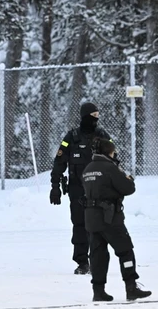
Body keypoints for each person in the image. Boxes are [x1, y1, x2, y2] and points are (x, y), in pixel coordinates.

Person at [81, 138, 151, 302]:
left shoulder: (87, 169)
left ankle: (98, 291)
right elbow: (128, 188)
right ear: (108, 153)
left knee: (98, 255)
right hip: (109, 217)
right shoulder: (110, 168)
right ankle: (131, 287)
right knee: (125, 250)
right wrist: (128, 179)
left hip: (91, 218)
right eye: (113, 153)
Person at [49, 102, 112, 274]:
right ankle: (82, 262)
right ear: (85, 116)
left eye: (98, 116)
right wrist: (55, 186)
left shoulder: (102, 136)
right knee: (79, 225)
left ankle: (97, 260)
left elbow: (113, 161)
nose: (96, 120)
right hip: (77, 189)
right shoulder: (72, 138)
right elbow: (59, 162)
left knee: (97, 226)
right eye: (93, 116)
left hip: (98, 189)